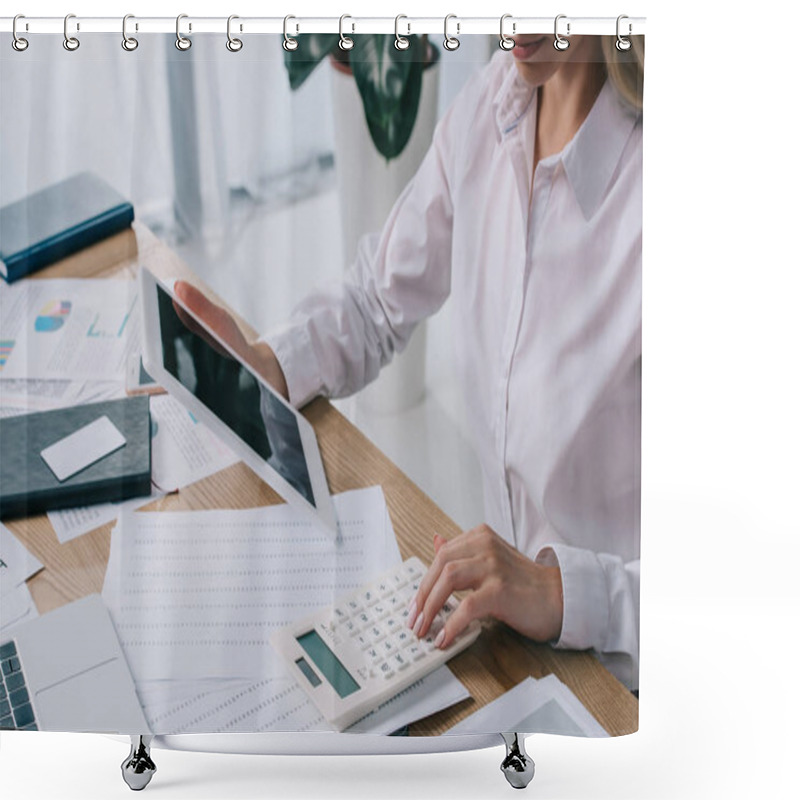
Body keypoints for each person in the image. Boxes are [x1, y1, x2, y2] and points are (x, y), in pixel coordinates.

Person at [174, 32, 644, 689]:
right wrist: (268, 363)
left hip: (631, 685)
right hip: (514, 655)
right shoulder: (492, 109)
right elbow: (374, 302)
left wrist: (561, 592)